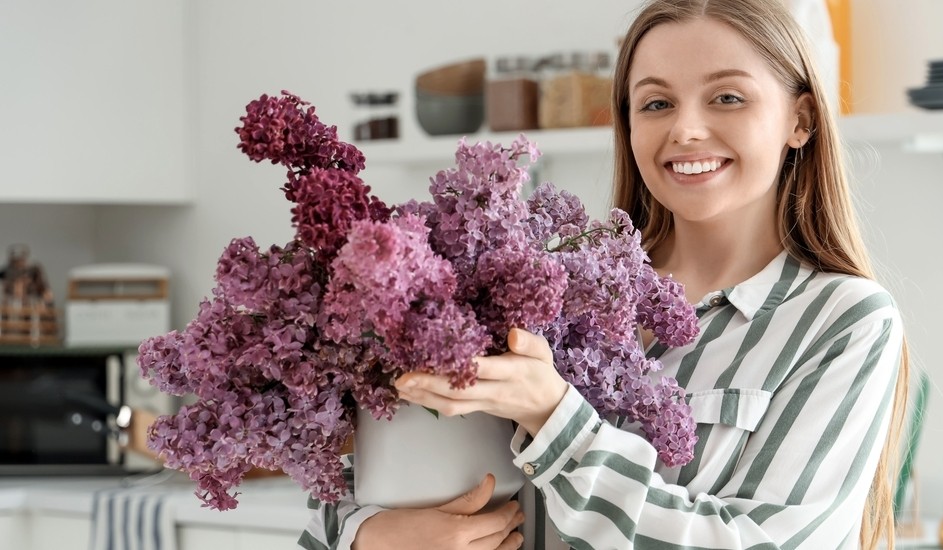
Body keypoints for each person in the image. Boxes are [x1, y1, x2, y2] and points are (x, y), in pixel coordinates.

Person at [300, 0, 910, 548]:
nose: (686, 129)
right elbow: (370, 470)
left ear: (800, 119)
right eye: (656, 103)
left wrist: (556, 419)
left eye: (728, 97)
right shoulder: (548, 284)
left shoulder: (843, 321)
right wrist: (367, 535)